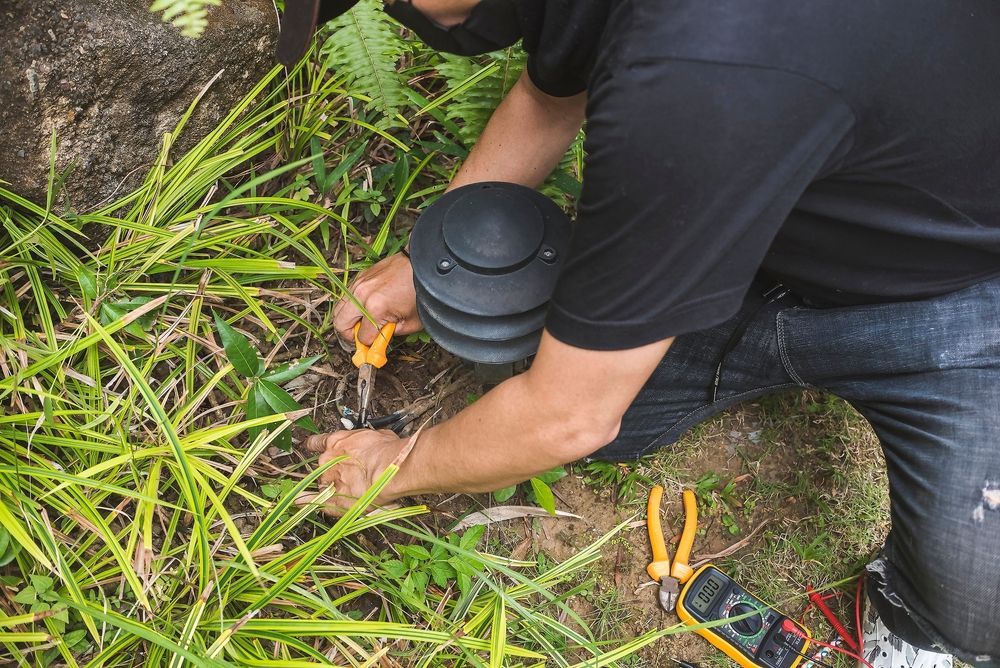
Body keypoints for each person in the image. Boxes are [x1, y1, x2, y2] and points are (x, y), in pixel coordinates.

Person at [287, 1, 1000, 666]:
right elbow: (548, 97)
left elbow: (565, 418)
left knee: (977, 612)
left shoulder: (691, 80)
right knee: (552, 391)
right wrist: (438, 263)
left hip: (953, 295)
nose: (401, 12)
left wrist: (393, 468)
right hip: (741, 256)